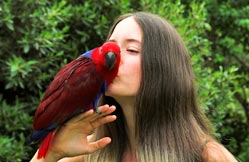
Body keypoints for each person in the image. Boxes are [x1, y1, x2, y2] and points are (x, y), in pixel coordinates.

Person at [31, 12, 238, 162]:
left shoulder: (208, 156)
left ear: (162, 69)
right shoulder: (86, 153)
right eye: (110, 47)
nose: (114, 56)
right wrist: (53, 153)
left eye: (131, 49)